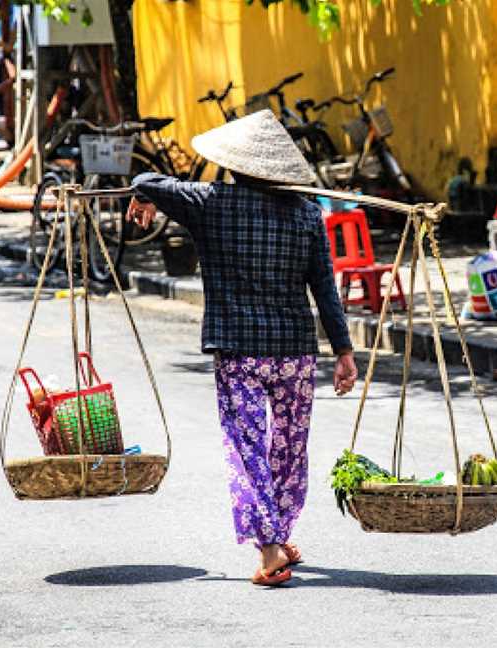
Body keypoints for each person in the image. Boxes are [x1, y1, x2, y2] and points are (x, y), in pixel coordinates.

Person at [126, 110, 357, 587]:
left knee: (247, 447)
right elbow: (324, 289)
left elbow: (147, 175)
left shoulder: (210, 202)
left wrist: (143, 195)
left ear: (233, 165)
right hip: (294, 350)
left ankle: (272, 548)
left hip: (239, 351)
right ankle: (279, 532)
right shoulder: (308, 213)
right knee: (290, 447)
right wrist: (345, 351)